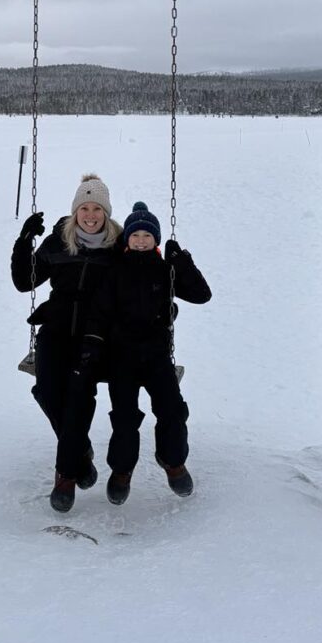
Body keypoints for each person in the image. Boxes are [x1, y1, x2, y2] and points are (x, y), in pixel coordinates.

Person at [82, 201, 211, 505]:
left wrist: (183, 263)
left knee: (172, 410)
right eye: (135, 234)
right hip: (121, 357)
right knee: (125, 418)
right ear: (126, 238)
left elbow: (201, 295)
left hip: (156, 356)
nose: (141, 240)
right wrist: (92, 346)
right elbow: (99, 312)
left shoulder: (165, 269)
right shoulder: (114, 270)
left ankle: (173, 461)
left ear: (156, 239)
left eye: (147, 235)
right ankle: (122, 470)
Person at [11, 173, 122, 513]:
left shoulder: (118, 246)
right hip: (57, 329)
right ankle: (80, 454)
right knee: (46, 391)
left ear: (106, 213)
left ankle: (66, 475)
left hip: (96, 336)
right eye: (84, 208)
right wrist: (24, 241)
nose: (90, 215)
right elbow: (24, 281)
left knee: (78, 396)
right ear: (75, 212)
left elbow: (138, 283)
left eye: (97, 209)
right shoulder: (60, 241)